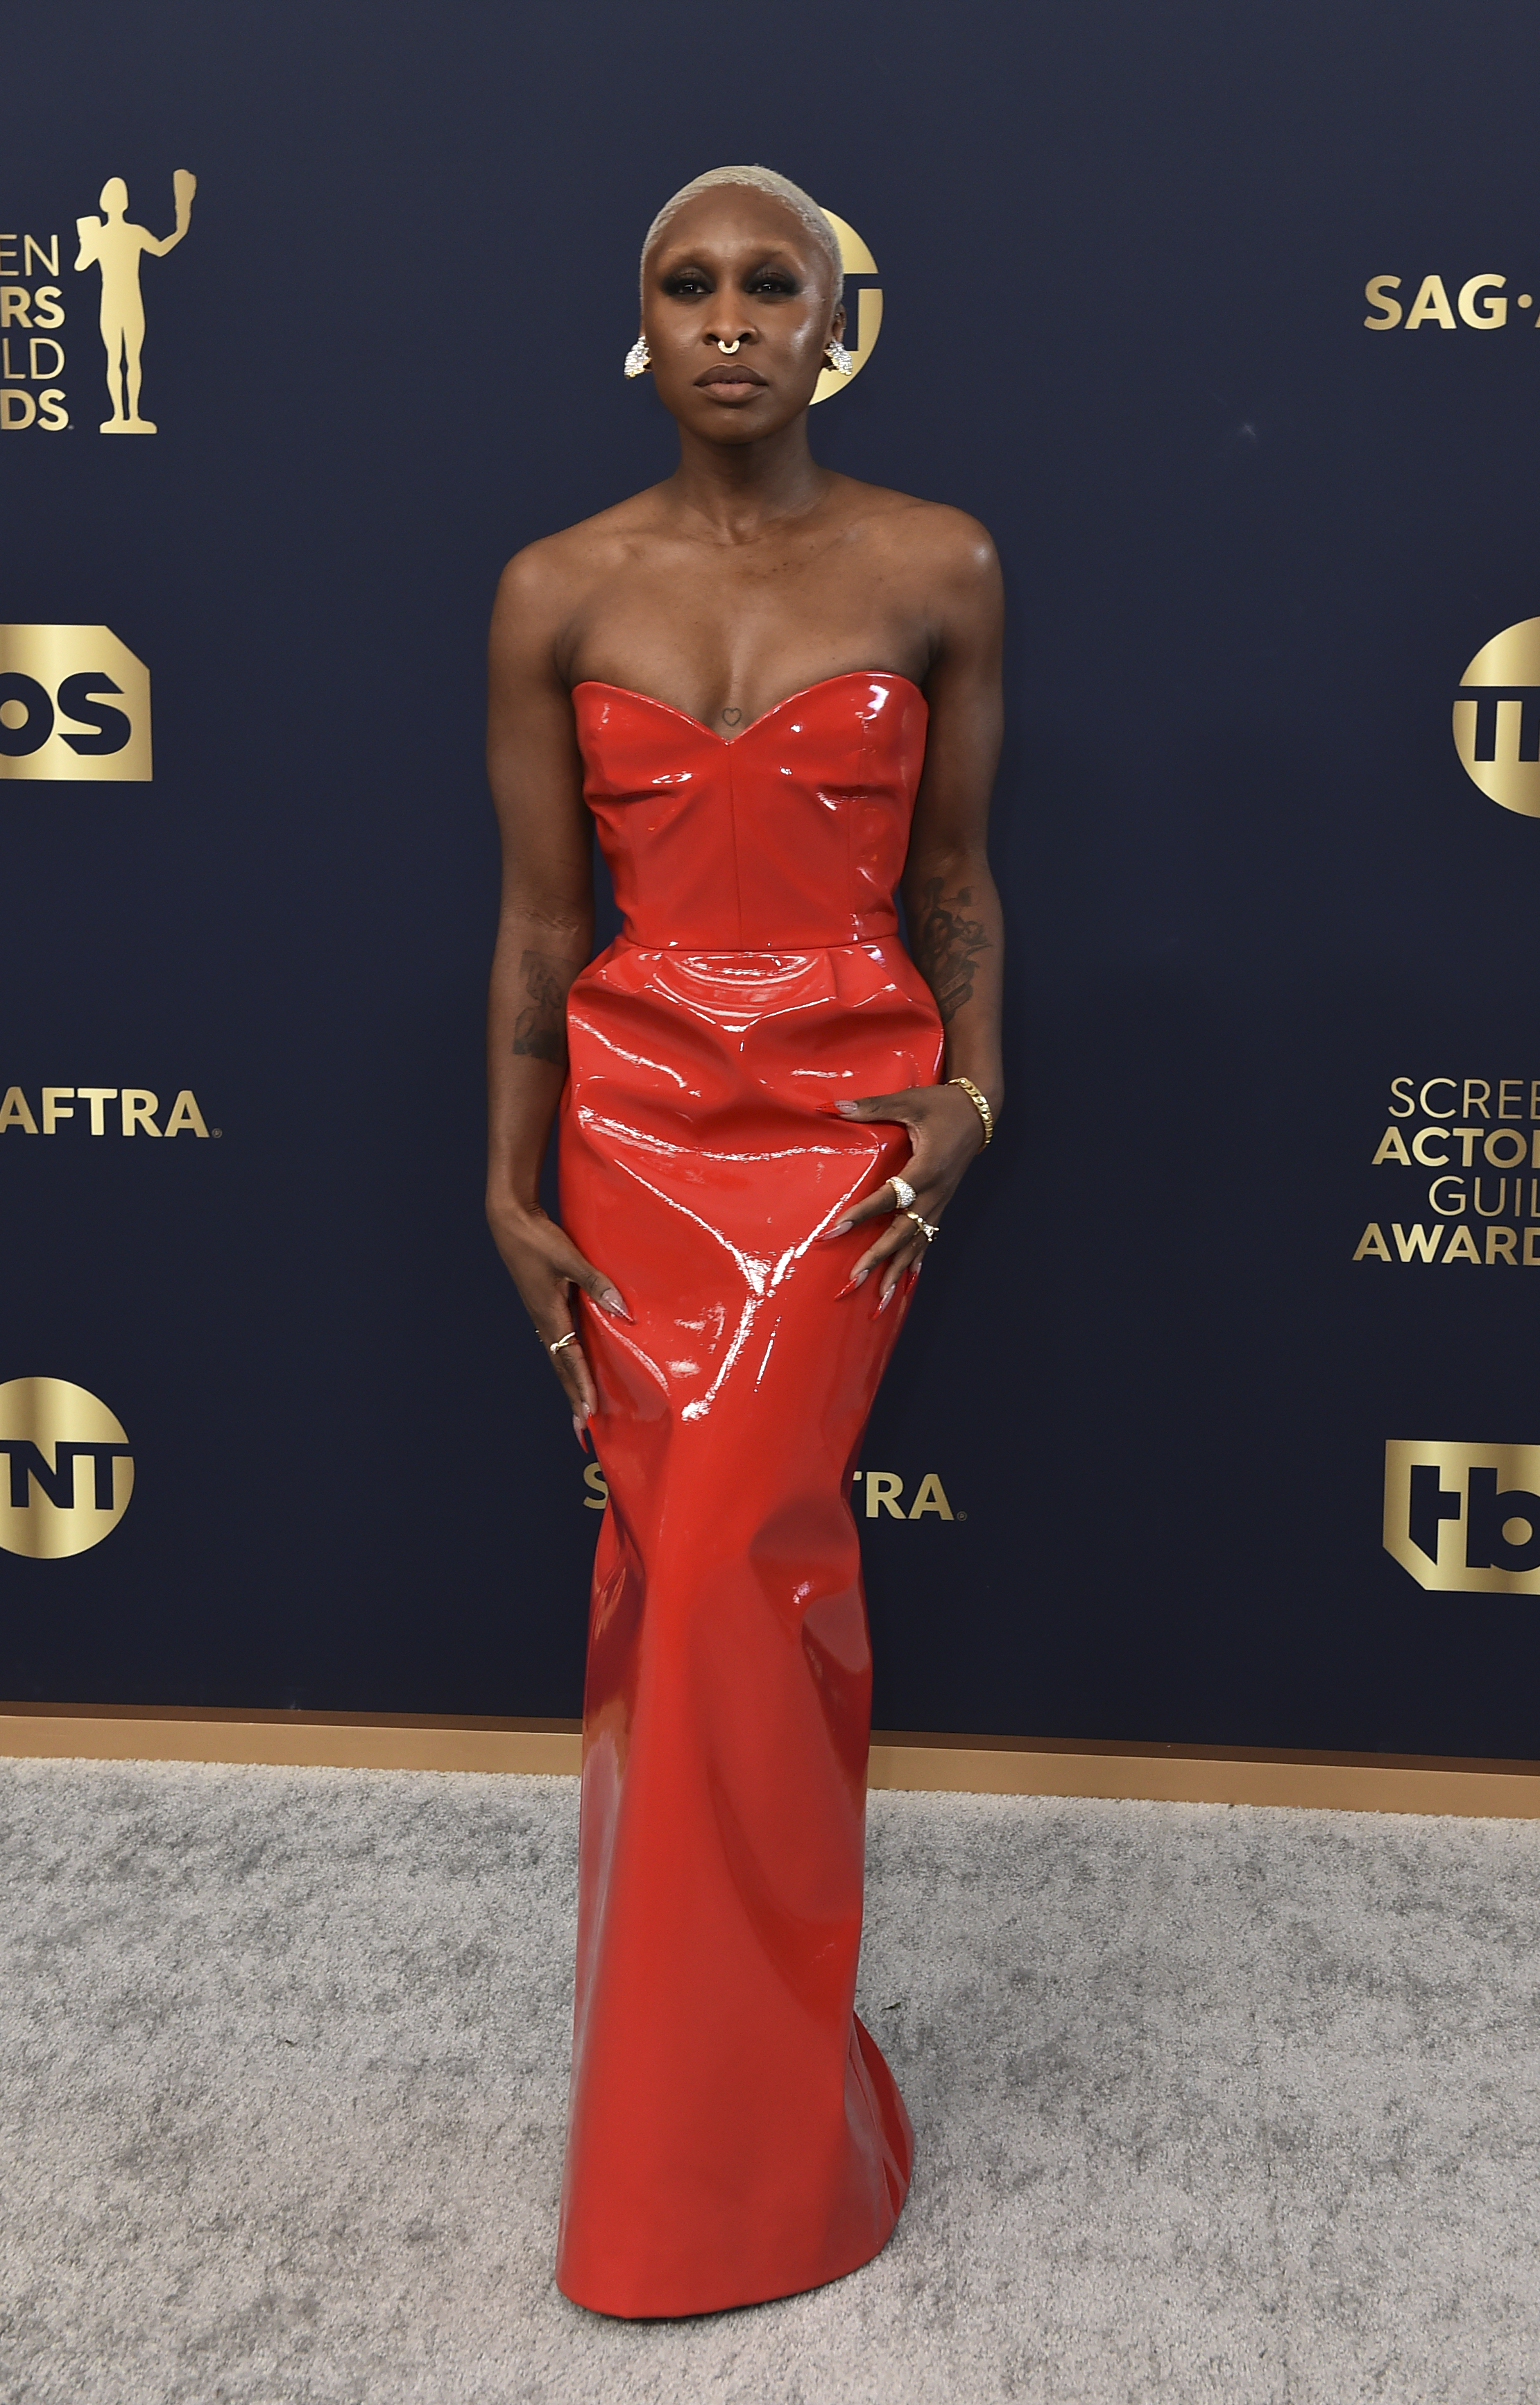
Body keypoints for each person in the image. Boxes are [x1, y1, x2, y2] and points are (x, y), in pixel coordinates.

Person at [485, 164, 1004, 2320]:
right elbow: (536, 928)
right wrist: (504, 1183)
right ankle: (698, 2122)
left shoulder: (932, 563)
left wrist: (971, 1100)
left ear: (828, 319)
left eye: (764, 281)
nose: (725, 315)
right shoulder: (552, 591)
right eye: (684, 284)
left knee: (733, 1585)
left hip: (837, 1146)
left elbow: (959, 886)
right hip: (629, 1145)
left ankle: (752, 2148)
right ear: (642, 323)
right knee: (678, 1595)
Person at [74, 170, 196, 433]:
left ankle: (124, 416)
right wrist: (182, 223)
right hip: (127, 302)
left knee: (117, 359)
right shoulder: (130, 232)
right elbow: (163, 248)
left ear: (103, 204)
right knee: (129, 358)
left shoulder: (114, 234)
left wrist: (87, 240)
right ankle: (127, 416)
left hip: (116, 303)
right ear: (125, 203)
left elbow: (81, 264)